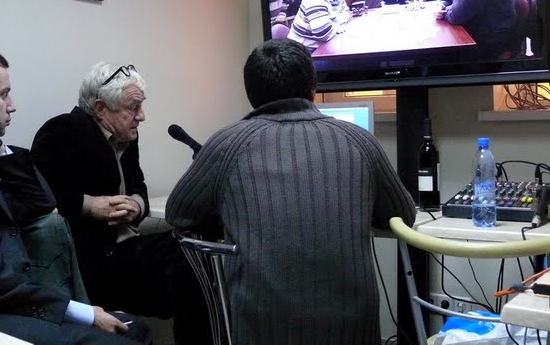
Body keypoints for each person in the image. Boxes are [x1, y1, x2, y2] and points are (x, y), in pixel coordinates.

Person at [165, 38, 417, 345]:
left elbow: (178, 213)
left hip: (261, 330)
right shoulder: (359, 140)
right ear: (313, 87)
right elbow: (403, 215)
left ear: (250, 94)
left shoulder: (227, 143)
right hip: (352, 332)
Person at [0, 45, 149, 345]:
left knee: (135, 329)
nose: (12, 106)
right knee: (121, 337)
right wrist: (84, 313)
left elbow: (42, 204)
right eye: (4, 94)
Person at [31, 62, 211, 345]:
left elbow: (139, 185)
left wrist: (137, 205)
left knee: (199, 244)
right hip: (94, 259)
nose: (142, 116)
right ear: (100, 108)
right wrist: (89, 205)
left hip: (127, 247)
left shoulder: (126, 136)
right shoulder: (62, 130)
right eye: (133, 107)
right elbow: (38, 196)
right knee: (188, 264)